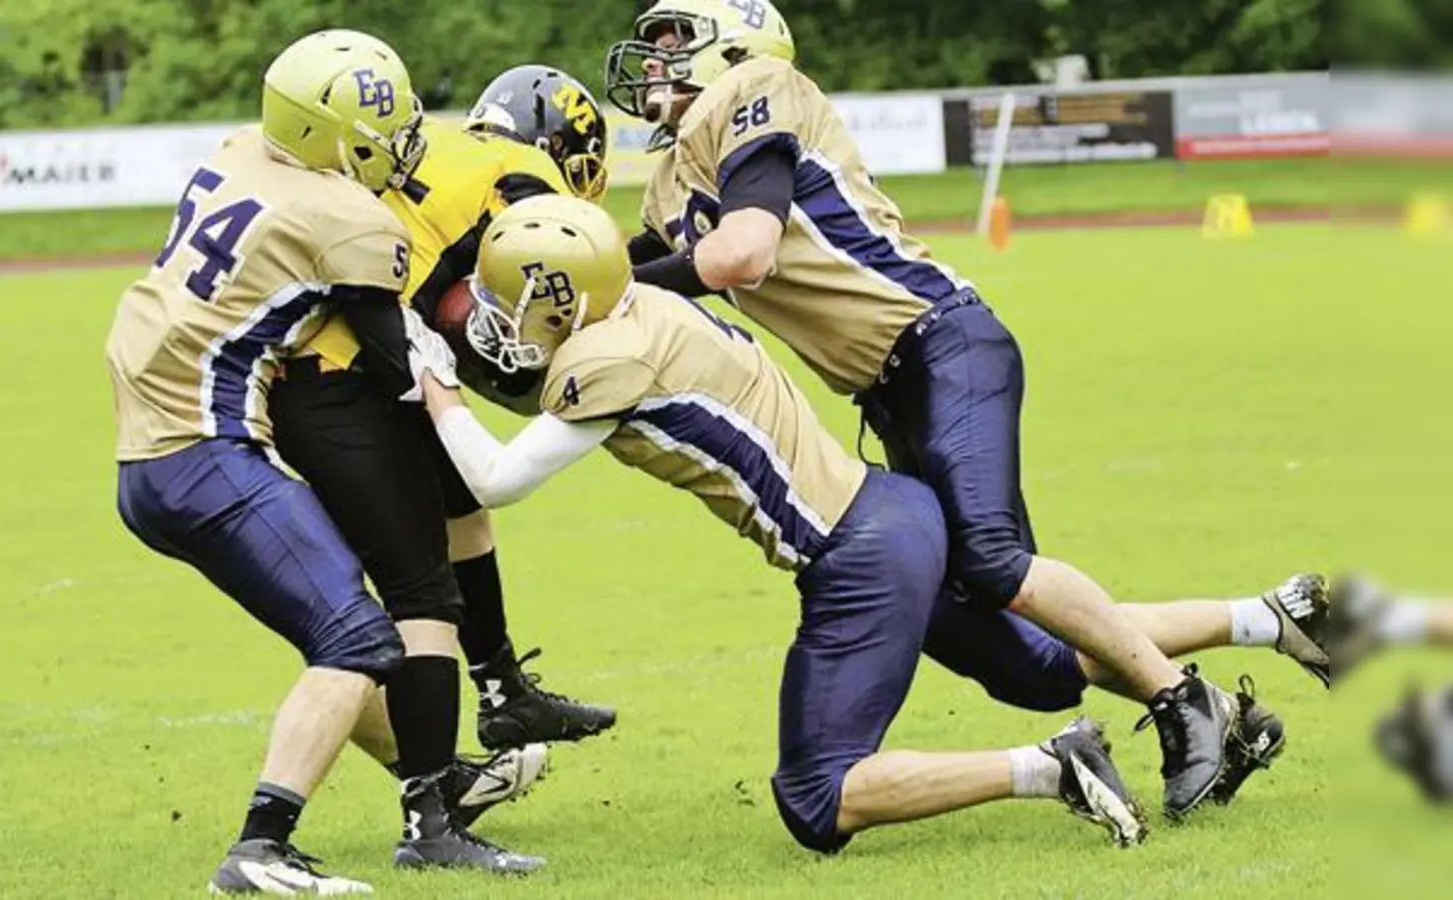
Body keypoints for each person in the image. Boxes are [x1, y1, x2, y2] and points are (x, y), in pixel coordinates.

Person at [604, 0, 1325, 818]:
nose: (656, 62)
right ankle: (1265, 625)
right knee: (1028, 664)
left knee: (989, 557)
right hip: (891, 389)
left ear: (733, 46)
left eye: (674, 44)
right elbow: (620, 279)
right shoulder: (667, 183)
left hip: (943, 342)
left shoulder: (759, 87)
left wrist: (618, 283)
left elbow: (741, 252)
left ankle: (1179, 702)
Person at [402, 193, 1151, 853]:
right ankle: (1251, 623)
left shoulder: (605, 358)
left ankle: (1053, 765)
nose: (497, 317)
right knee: (1038, 665)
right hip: (891, 509)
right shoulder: (643, 306)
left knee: (817, 796)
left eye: (509, 299)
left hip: (859, 555)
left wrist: (436, 379)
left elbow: (495, 480)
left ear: (565, 298)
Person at [105, 30, 542, 892]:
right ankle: (261, 844)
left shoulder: (237, 152)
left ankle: (432, 782)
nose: (402, 140)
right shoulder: (345, 214)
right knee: (355, 636)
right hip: (205, 452)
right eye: (381, 128)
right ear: (332, 137)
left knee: (340, 632)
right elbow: (395, 355)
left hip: (145, 457)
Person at [270, 64, 616, 754]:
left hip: (358, 362)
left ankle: (503, 690)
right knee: (419, 597)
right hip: (343, 376)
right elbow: (560, 293)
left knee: (465, 510)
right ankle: (428, 795)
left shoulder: (455, 150)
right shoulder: (521, 168)